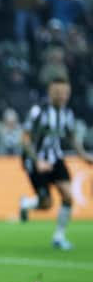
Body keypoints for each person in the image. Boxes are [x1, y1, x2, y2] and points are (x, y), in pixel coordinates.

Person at [18, 75, 93, 250]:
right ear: (50, 92)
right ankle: (26, 204)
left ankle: (58, 237)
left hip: (56, 157)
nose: (62, 96)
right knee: (46, 204)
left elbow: (71, 136)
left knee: (68, 196)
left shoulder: (67, 113)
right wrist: (37, 161)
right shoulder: (38, 112)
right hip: (35, 159)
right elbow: (25, 139)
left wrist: (83, 155)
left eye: (65, 92)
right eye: (58, 92)